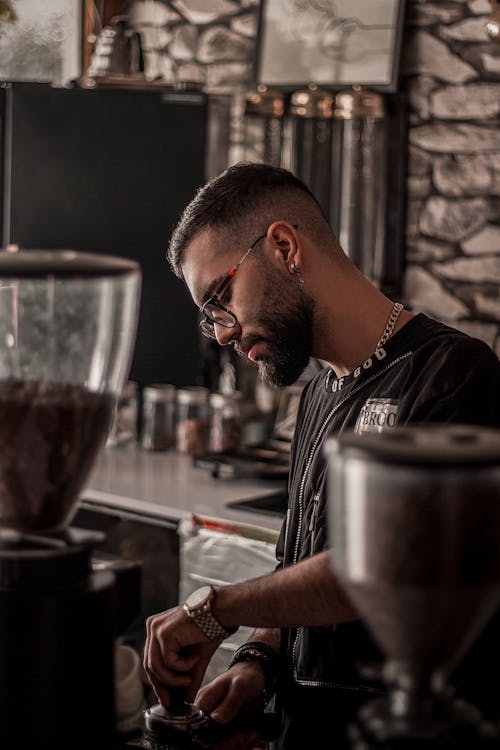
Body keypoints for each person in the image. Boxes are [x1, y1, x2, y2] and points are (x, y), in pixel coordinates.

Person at [143, 162, 500, 749]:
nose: (225, 333)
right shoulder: (317, 396)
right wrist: (256, 662)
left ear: (284, 247)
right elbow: (300, 573)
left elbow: (384, 570)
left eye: (220, 296)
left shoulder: (453, 374)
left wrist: (215, 609)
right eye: (211, 318)